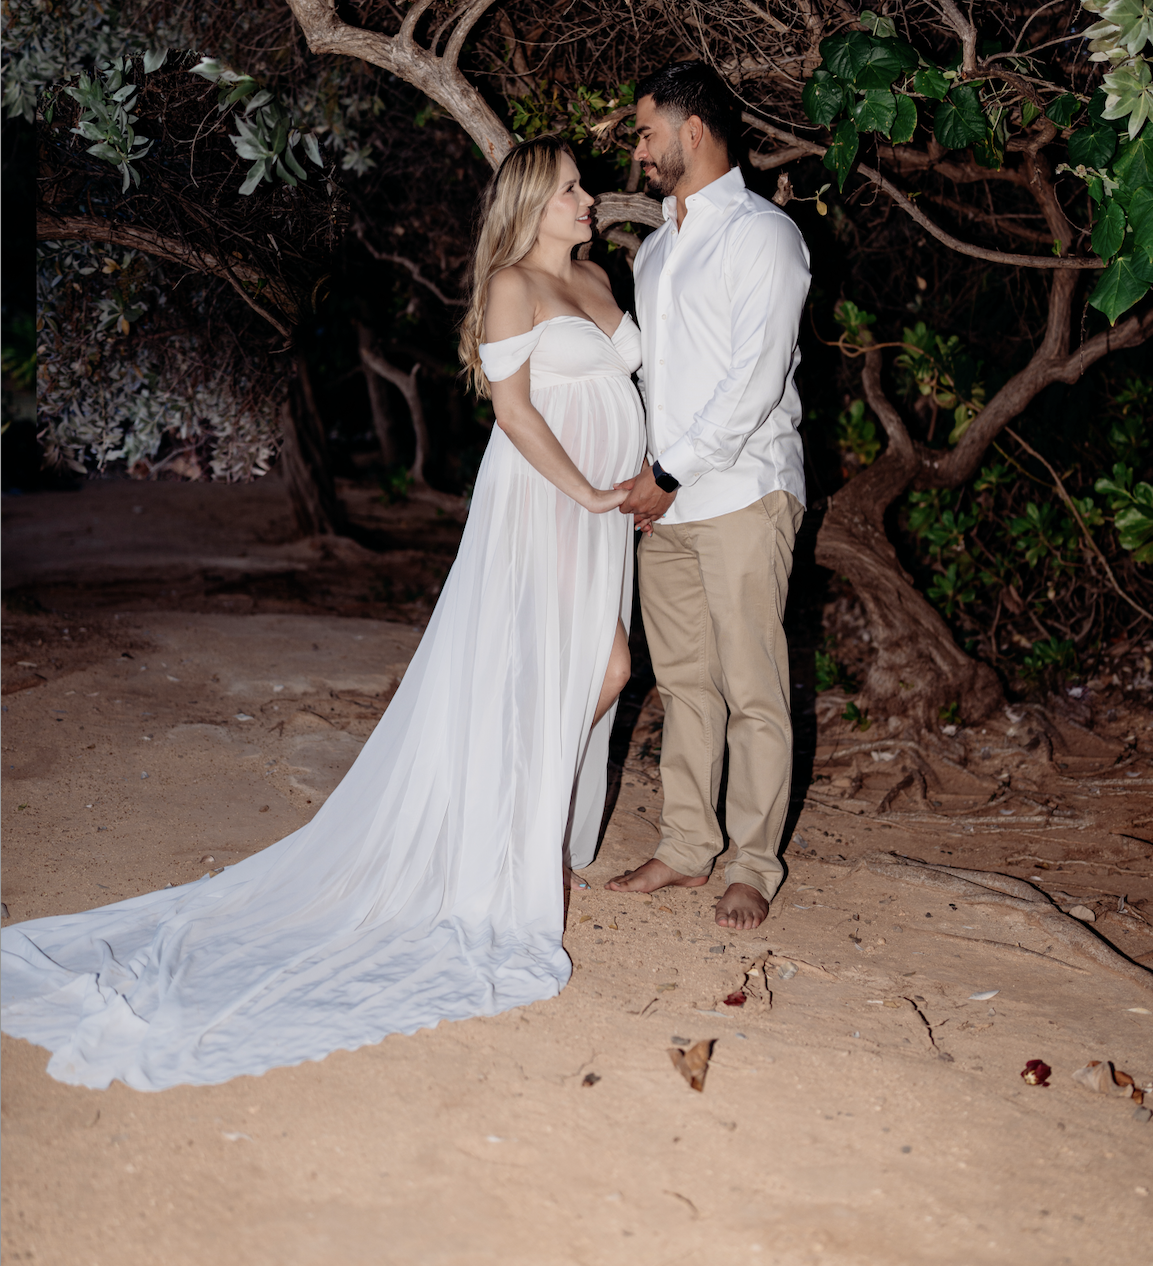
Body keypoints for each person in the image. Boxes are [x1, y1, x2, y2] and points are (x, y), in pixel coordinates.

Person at [0, 136, 645, 1091]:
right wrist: (590, 495)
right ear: (528, 205)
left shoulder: (600, 276)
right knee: (601, 671)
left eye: (582, 187)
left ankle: (521, 837)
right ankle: (520, 849)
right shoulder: (514, 284)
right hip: (550, 503)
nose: (587, 199)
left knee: (579, 674)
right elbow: (514, 413)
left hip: (609, 513)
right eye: (568, 190)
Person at [606, 62, 812, 932]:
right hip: (671, 506)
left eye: (646, 132)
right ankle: (688, 846)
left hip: (740, 493)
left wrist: (670, 474)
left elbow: (753, 382)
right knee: (686, 686)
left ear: (693, 132)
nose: (638, 151)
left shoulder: (765, 236)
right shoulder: (655, 249)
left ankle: (754, 863)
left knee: (752, 686)